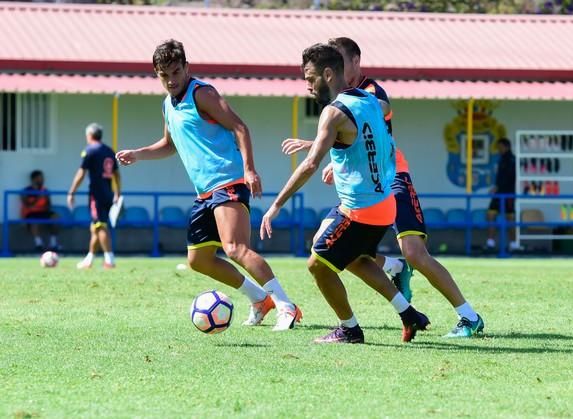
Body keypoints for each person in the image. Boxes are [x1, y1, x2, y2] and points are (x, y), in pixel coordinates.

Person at [281, 37, 484, 338]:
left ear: (354, 61)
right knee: (344, 251)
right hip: (371, 190)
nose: (332, 69)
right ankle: (396, 277)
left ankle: (468, 316)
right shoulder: (345, 99)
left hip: (393, 180)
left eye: (339, 60)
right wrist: (331, 155)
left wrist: (325, 151)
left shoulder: (370, 92)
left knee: (414, 252)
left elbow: (373, 122)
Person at [115, 39, 301, 331]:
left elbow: (240, 127)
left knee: (235, 248)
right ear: (156, 74)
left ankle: (286, 307)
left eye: (176, 72)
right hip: (204, 193)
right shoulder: (167, 105)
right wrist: (138, 154)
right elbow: (168, 145)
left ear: (186, 68)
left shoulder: (202, 93)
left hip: (227, 181)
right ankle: (259, 299)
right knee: (199, 260)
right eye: (165, 75)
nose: (171, 80)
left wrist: (250, 169)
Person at [261, 43, 430, 344]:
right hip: (383, 205)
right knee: (353, 258)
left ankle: (349, 329)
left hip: (361, 210)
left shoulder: (333, 112)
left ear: (328, 74)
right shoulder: (370, 99)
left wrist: (275, 205)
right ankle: (409, 314)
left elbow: (311, 164)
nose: (307, 85)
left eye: (310, 77)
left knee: (317, 263)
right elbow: (377, 127)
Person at [67, 123, 121, 269]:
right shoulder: (109, 151)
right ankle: (89, 259)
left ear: (89, 135)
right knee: (95, 227)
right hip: (108, 193)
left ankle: (109, 259)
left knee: (100, 226)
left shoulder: (90, 150)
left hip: (96, 194)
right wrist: (117, 193)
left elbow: (81, 172)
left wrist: (72, 192)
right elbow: (116, 174)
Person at [485, 138, 517, 252]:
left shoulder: (512, 160)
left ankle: (513, 244)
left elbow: (508, 178)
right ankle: (490, 242)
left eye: (500, 147)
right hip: (499, 194)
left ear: (506, 146)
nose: (499, 150)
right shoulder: (502, 159)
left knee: (510, 218)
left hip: (507, 194)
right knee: (491, 214)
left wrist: (497, 187)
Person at [21, 170, 59, 252]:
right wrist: (38, 197)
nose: (42, 180)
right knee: (33, 221)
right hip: (31, 213)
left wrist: (46, 204)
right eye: (40, 178)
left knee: (55, 217)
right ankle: (39, 244)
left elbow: (49, 205)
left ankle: (53, 243)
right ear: (34, 179)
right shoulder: (26, 190)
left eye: (42, 178)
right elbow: (27, 204)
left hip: (43, 212)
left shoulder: (45, 190)